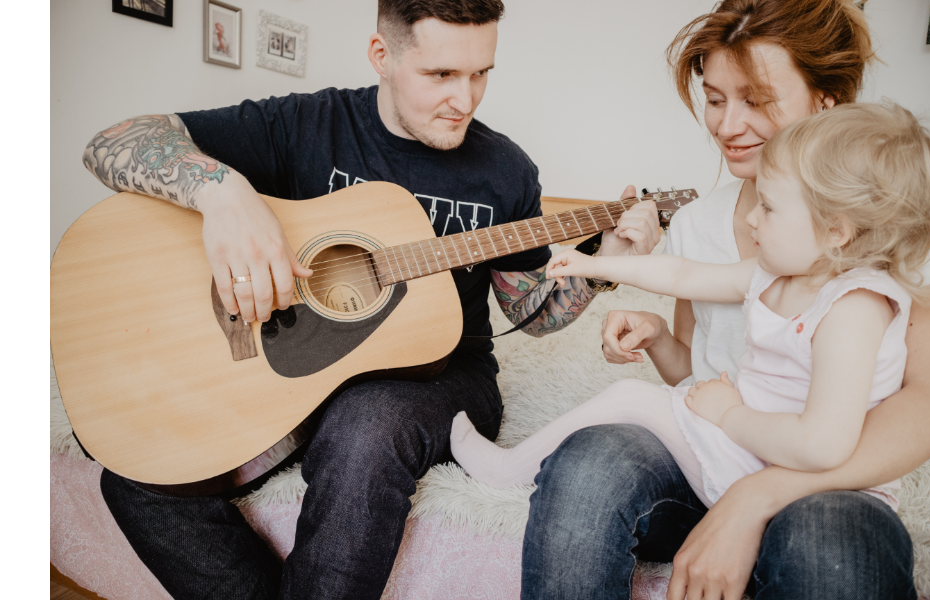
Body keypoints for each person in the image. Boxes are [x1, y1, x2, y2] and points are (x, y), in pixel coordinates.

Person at [79, 1, 661, 599]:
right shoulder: (307, 124)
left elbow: (528, 313)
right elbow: (111, 143)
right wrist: (223, 193)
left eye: (481, 73)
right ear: (382, 55)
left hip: (442, 368)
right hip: (303, 362)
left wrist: (603, 263)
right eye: (441, 75)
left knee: (364, 424)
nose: (465, 99)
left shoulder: (505, 170)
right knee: (140, 471)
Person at [515, 1, 930, 599]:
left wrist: (756, 497)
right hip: (710, 457)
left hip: (829, 485)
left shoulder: (893, 239)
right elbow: (698, 376)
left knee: (832, 547)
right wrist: (660, 337)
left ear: (825, 102)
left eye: (757, 100)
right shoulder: (700, 224)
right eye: (715, 99)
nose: (725, 125)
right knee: (587, 462)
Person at [451, 101, 930, 516]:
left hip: (796, 474)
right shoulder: (779, 272)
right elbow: (685, 274)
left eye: (770, 207)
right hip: (757, 449)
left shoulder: (854, 309)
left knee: (630, 397)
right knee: (636, 401)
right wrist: (593, 263)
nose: (750, 216)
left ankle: (505, 471)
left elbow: (823, 446)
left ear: (837, 231)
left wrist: (730, 416)